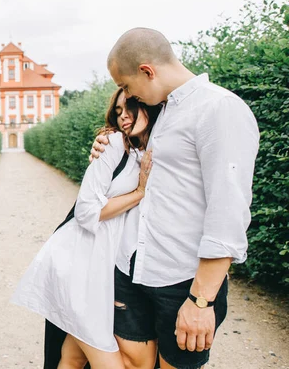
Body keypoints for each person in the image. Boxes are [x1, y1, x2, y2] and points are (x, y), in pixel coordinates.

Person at [89, 27, 259, 369]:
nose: (125, 94)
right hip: (131, 266)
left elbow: (228, 212)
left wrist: (200, 301)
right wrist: (106, 146)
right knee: (133, 363)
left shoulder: (219, 109)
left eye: (125, 85)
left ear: (147, 71)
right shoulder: (161, 111)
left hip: (180, 281)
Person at [11, 87, 161, 369]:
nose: (123, 117)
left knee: (72, 357)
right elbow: (86, 211)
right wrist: (139, 193)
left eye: (128, 107)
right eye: (117, 112)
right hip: (79, 265)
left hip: (97, 263)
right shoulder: (115, 143)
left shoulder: (144, 151)